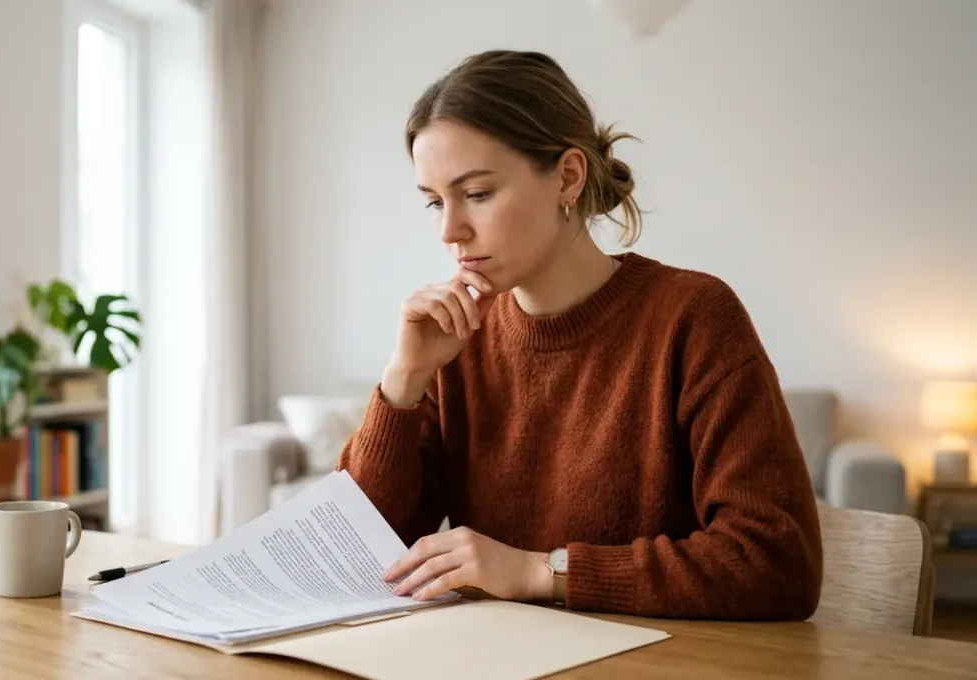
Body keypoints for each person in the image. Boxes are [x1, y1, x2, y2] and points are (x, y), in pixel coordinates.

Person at [336, 50, 823, 620]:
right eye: (434, 201)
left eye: (478, 194)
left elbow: (776, 562)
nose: (450, 230)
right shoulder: (457, 340)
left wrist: (540, 571)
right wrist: (403, 382)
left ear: (568, 177)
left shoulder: (693, 317)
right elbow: (353, 555)